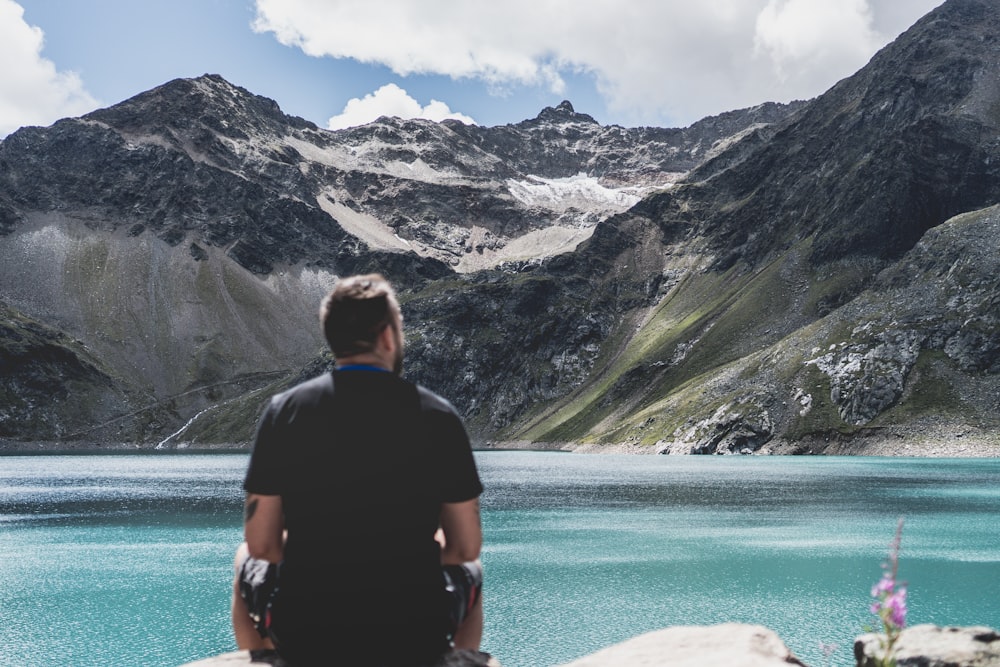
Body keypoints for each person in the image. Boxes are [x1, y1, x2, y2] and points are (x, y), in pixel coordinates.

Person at [231, 274, 484, 666]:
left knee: (243, 554)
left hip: (306, 635)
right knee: (474, 569)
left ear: (333, 339)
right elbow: (465, 548)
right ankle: (452, 660)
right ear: (387, 336)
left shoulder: (285, 410)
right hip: (415, 634)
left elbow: (263, 546)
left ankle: (267, 661)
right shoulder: (438, 415)